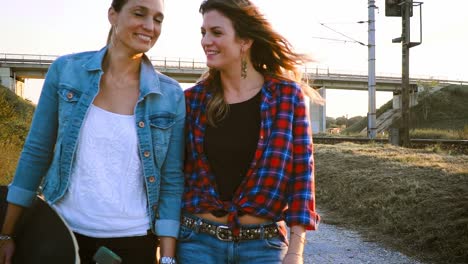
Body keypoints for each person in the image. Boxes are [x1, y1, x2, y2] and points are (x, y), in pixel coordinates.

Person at [0, 0, 183, 263]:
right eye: (139, 13)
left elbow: (171, 179)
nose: (149, 26)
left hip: (135, 244)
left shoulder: (170, 95)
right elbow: (36, 151)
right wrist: (7, 233)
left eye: (158, 19)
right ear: (113, 15)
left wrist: (167, 258)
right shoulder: (66, 71)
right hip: (60, 234)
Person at [178, 0, 322, 263]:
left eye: (216, 32)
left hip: (262, 247)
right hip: (197, 243)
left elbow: (302, 173)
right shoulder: (192, 100)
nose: (206, 41)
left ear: (244, 40)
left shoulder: (286, 97)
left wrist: (296, 251)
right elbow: (174, 175)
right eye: (203, 32)